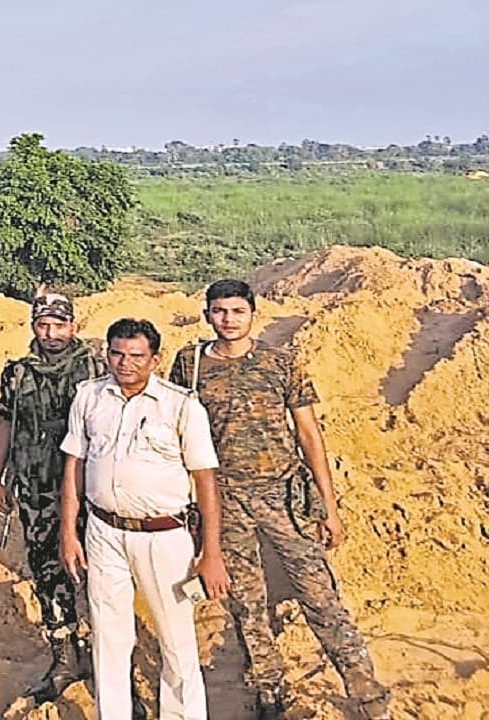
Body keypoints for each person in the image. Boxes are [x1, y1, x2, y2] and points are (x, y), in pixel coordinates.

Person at [167, 279, 390, 720]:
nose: (228, 319)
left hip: (283, 496)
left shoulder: (280, 362)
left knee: (319, 595)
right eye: (219, 311)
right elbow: (175, 432)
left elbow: (309, 434)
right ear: (207, 314)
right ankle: (268, 691)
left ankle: (365, 693)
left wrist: (329, 505)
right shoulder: (189, 366)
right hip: (223, 499)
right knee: (247, 603)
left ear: (253, 313)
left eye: (237, 311)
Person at [60, 318, 230, 720]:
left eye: (137, 356)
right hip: (103, 532)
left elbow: (205, 481)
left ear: (154, 359)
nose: (125, 363)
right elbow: (74, 467)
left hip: (164, 536)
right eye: (117, 353)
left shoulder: (181, 405)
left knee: (176, 641)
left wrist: (211, 552)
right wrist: (69, 532)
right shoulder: (89, 397)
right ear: (107, 353)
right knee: (108, 637)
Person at [0, 289, 102, 700]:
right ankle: (64, 659)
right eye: (43, 324)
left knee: (98, 575)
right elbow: (5, 424)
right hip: (36, 490)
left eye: (59, 324)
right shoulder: (17, 373)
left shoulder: (96, 367)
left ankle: (109, 661)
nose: (51, 333)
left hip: (89, 491)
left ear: (73, 325)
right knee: (47, 574)